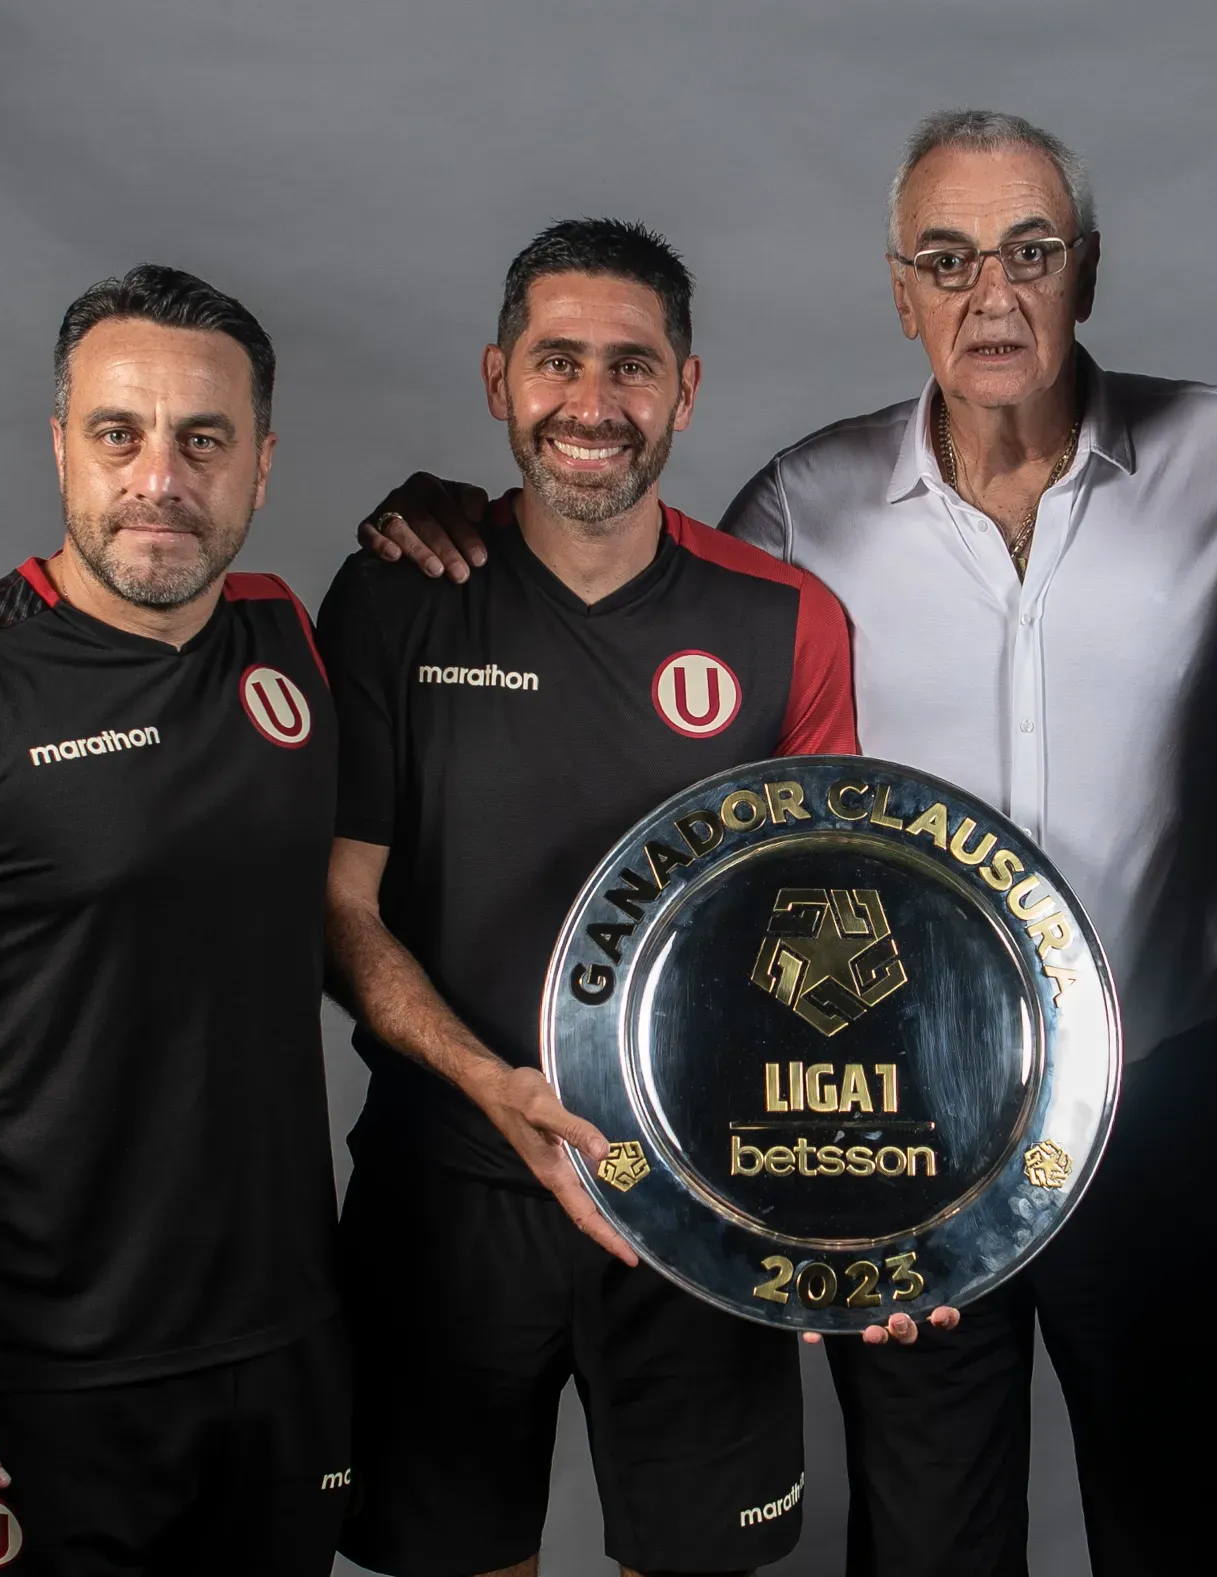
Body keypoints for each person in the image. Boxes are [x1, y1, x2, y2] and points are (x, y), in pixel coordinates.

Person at [354, 114, 1217, 1577]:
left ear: (1087, 273)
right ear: (900, 290)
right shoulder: (801, 510)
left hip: (1170, 1100)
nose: (993, 295)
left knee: (1193, 1525)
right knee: (926, 1537)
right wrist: (453, 518)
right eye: (948, 259)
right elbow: (652, 636)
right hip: (901, 1111)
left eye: (1032, 254)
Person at [0, 266, 350, 1573]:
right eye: (118, 433)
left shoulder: (285, 641)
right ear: (60, 449)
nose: (159, 478)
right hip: (42, 1385)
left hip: (282, 1352)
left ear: (261, 463)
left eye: (204, 438)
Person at [319, 218, 857, 1577]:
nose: (593, 403)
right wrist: (483, 1080)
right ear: (499, 379)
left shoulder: (787, 617)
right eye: (559, 362)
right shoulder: (398, 599)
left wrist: (835, 1186)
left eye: (632, 366)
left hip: (688, 1200)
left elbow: (826, 936)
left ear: (686, 390)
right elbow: (340, 910)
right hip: (445, 1192)